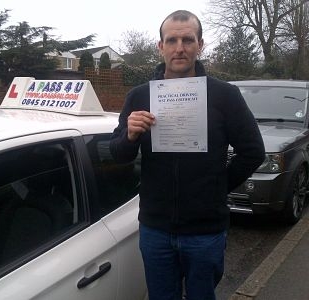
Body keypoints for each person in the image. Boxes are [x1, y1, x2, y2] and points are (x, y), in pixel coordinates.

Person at [109, 10, 265, 300]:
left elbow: (253, 151)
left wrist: (218, 187)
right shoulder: (140, 96)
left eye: (187, 40)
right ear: (160, 46)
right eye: (172, 40)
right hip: (155, 228)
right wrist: (130, 136)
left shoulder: (224, 95)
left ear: (200, 44)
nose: (179, 47)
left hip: (205, 231)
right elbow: (118, 154)